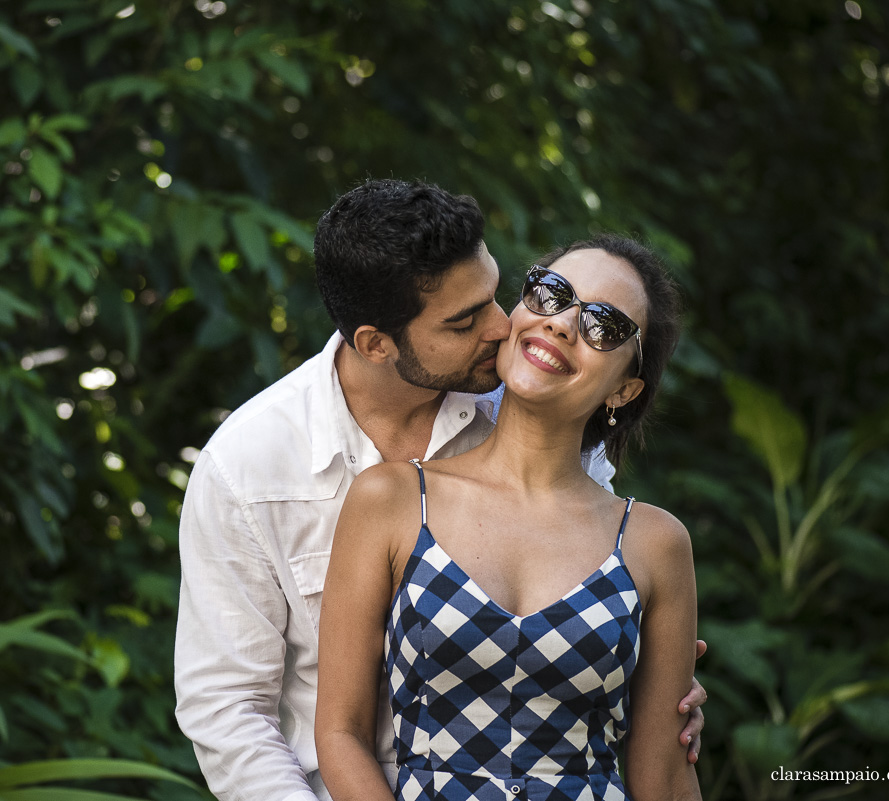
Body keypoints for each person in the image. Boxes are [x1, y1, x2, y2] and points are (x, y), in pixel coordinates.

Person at [174, 180, 705, 801]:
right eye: (466, 320)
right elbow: (228, 709)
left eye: (497, 295)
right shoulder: (252, 467)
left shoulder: (540, 411)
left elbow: (621, 663)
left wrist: (659, 683)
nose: (506, 325)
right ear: (376, 343)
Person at [315, 234, 700, 801]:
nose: (564, 324)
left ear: (625, 388)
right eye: (551, 293)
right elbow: (340, 735)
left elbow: (663, 777)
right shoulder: (393, 500)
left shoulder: (654, 542)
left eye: (604, 326)